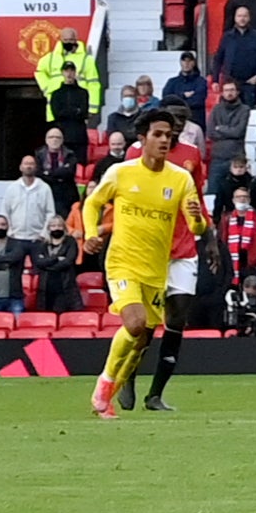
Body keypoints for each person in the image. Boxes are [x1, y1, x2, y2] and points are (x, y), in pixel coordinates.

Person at [76, 106, 203, 421]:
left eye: (168, 135)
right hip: (122, 262)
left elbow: (197, 227)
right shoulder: (122, 172)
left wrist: (198, 219)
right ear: (142, 138)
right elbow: (92, 203)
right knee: (133, 324)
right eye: (157, 134)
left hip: (156, 270)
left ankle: (111, 395)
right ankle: (104, 387)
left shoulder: (181, 178)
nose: (164, 140)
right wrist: (90, 234)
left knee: (142, 338)